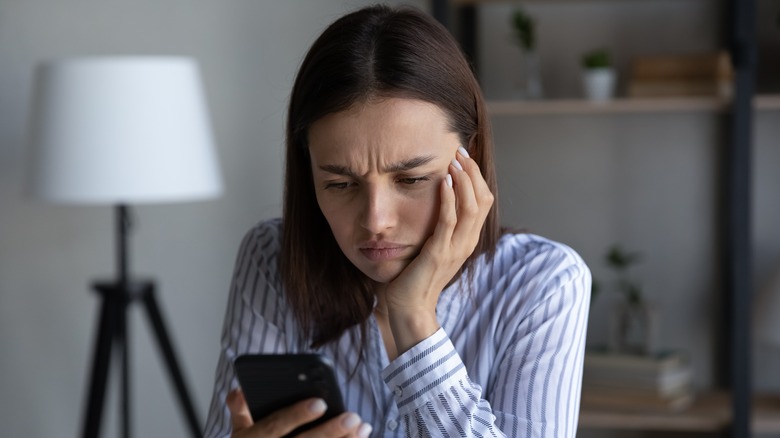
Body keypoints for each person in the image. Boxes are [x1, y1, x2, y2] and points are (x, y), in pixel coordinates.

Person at [204, 4, 590, 437]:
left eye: (411, 179)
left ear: (473, 159)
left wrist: (414, 317)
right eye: (340, 184)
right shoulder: (270, 261)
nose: (376, 221)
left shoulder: (543, 283)